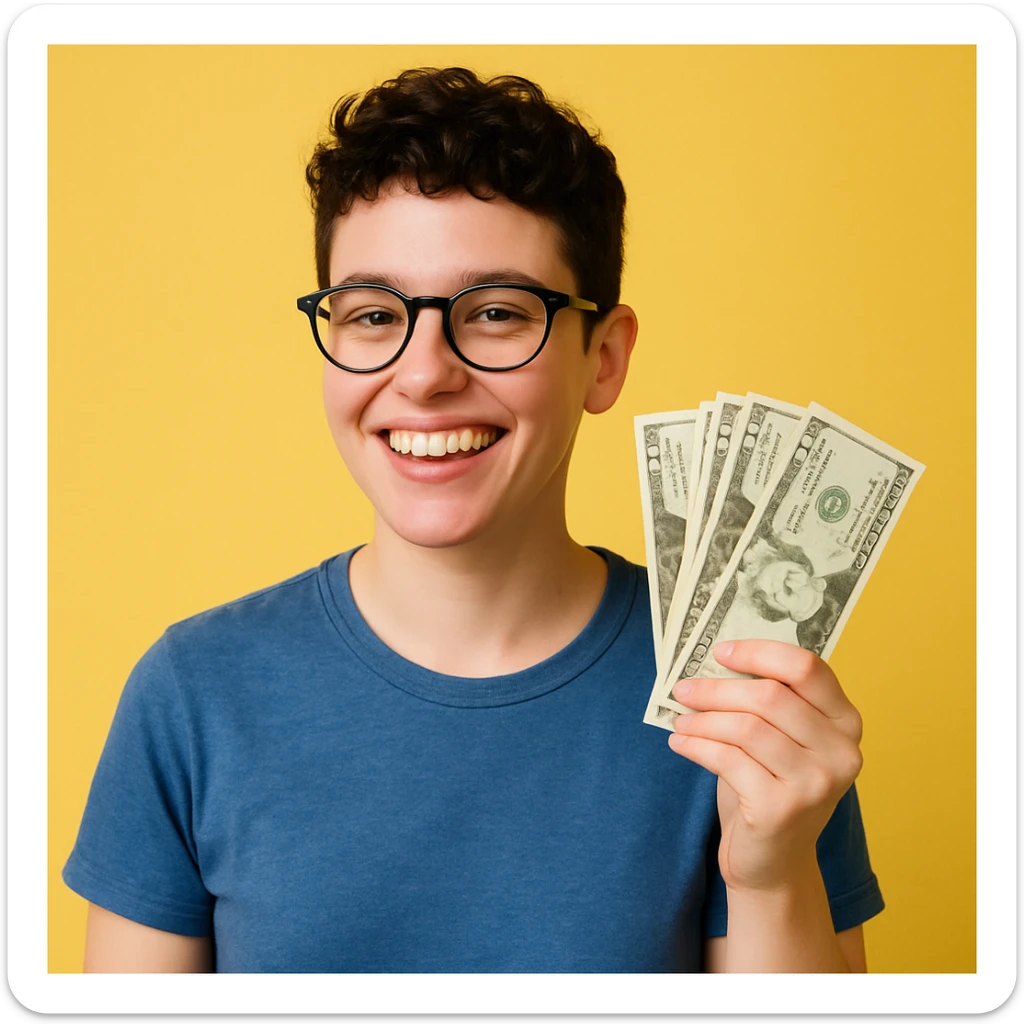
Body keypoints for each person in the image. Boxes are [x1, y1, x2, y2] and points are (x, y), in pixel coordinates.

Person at [63, 67, 882, 973]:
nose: (423, 374)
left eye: (495, 313)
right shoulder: (192, 696)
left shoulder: (745, 699)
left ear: (604, 357)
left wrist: (772, 877)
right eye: (373, 314)